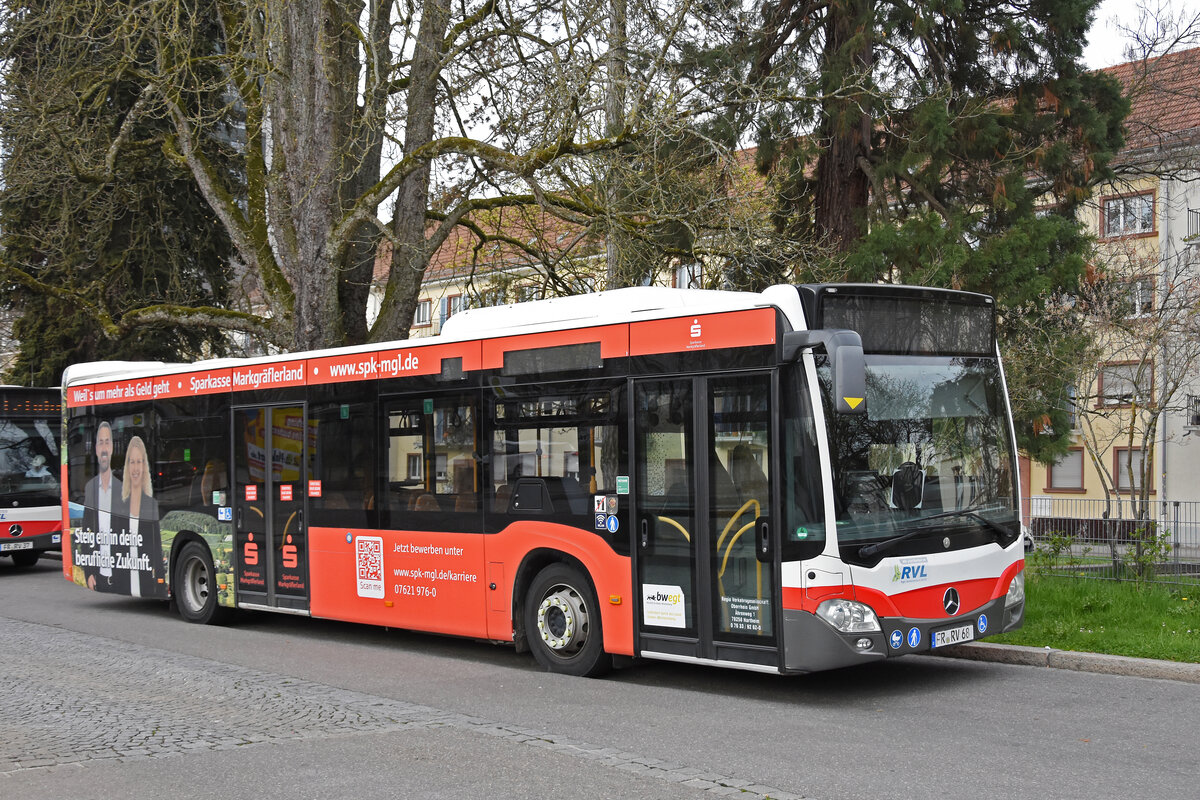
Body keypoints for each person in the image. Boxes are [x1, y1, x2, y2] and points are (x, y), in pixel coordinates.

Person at [113, 435, 164, 599]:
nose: (135, 468)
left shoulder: (152, 505)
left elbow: (157, 549)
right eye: (132, 462)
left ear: (145, 466)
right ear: (127, 467)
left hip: (147, 579)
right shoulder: (119, 505)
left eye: (139, 462)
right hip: (124, 577)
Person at [82, 422, 126, 592]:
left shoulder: (123, 487)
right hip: (99, 571)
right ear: (95, 449)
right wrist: (89, 572)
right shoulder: (90, 487)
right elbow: (87, 532)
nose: (104, 447)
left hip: (121, 569)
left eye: (107, 442)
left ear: (113, 447)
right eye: (101, 442)